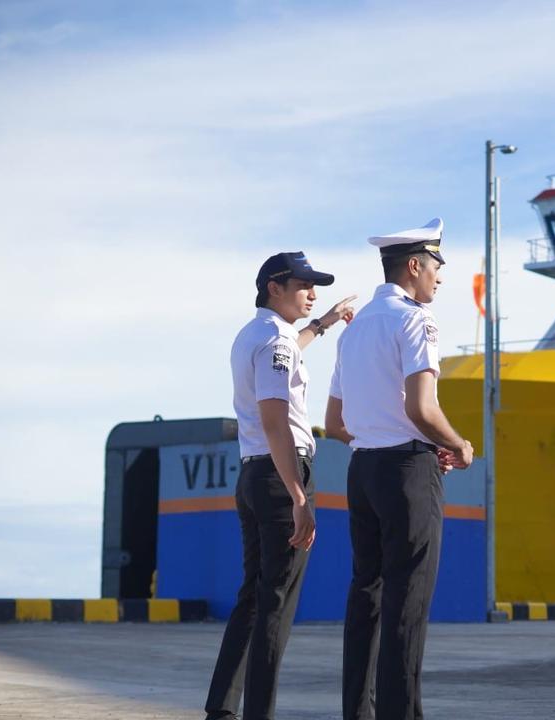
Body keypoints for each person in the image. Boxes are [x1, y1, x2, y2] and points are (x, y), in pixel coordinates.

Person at [326, 218, 473, 720]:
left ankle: (359, 712)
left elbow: (333, 423)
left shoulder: (356, 328)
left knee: (365, 593)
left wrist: (377, 435)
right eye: (436, 266)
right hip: (408, 472)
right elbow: (422, 409)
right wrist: (458, 444)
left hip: (362, 471)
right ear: (414, 266)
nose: (440, 277)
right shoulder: (415, 321)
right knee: (407, 601)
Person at [205, 251, 356, 720]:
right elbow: (276, 421)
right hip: (280, 474)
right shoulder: (276, 341)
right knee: (277, 603)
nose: (313, 293)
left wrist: (326, 322)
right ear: (274, 287)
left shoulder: (256, 334)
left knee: (253, 597)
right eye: (304, 284)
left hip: (253, 473)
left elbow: (293, 347)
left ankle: (222, 710)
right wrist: (297, 497)